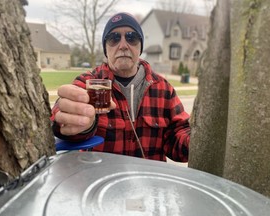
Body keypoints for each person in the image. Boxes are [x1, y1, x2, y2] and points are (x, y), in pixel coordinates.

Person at [51, 12, 190, 162]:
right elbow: (60, 118)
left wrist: (197, 137)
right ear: (105, 48)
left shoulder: (164, 89)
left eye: (131, 37)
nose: (123, 45)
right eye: (114, 38)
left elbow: (179, 137)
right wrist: (77, 122)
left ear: (140, 46)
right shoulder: (88, 83)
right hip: (102, 180)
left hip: (149, 182)